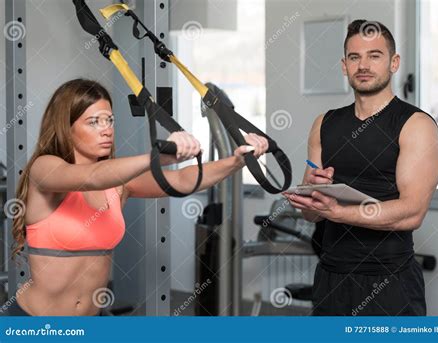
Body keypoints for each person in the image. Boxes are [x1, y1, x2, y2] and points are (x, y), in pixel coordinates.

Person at [3, 79, 269, 316]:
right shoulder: (45, 167)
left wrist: (236, 161)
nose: (106, 129)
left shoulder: (117, 183)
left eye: (109, 120)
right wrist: (158, 157)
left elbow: (180, 180)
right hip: (33, 321)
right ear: (66, 127)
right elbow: (91, 177)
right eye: (94, 122)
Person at [284, 19, 438, 316]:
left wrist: (340, 213)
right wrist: (310, 195)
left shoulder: (416, 125)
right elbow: (310, 213)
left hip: (390, 282)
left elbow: (412, 212)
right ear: (344, 66)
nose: (363, 65)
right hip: (331, 278)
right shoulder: (324, 124)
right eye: (354, 57)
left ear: (394, 63)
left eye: (375, 55)